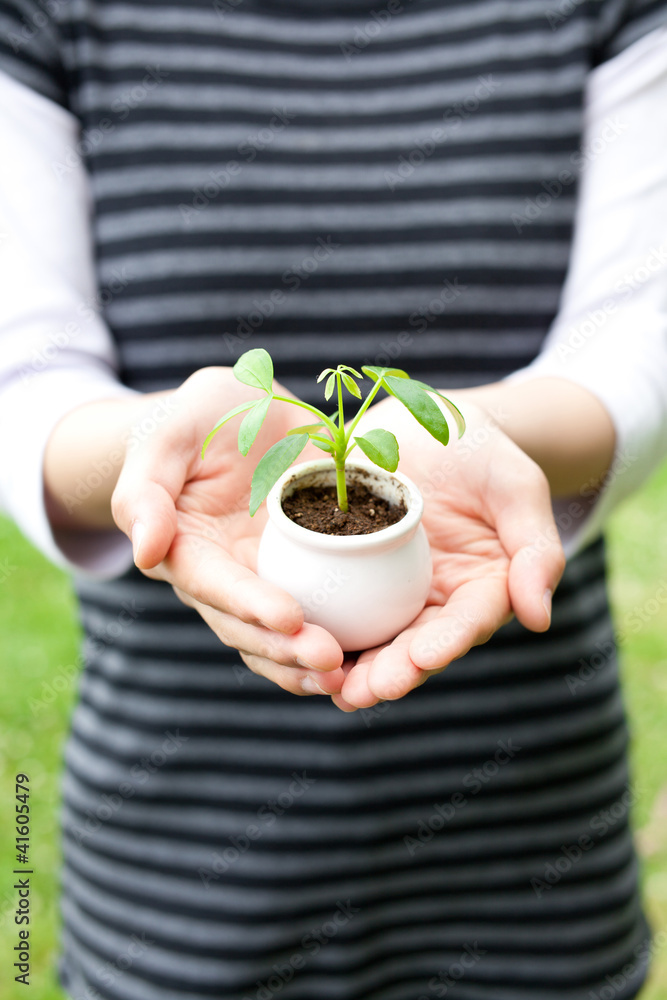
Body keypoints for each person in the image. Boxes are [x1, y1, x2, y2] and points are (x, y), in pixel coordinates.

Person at [1, 1, 666, 997]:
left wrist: (490, 443)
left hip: (529, 861)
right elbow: (25, 374)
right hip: (180, 863)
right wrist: (157, 450)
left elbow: (637, 337)